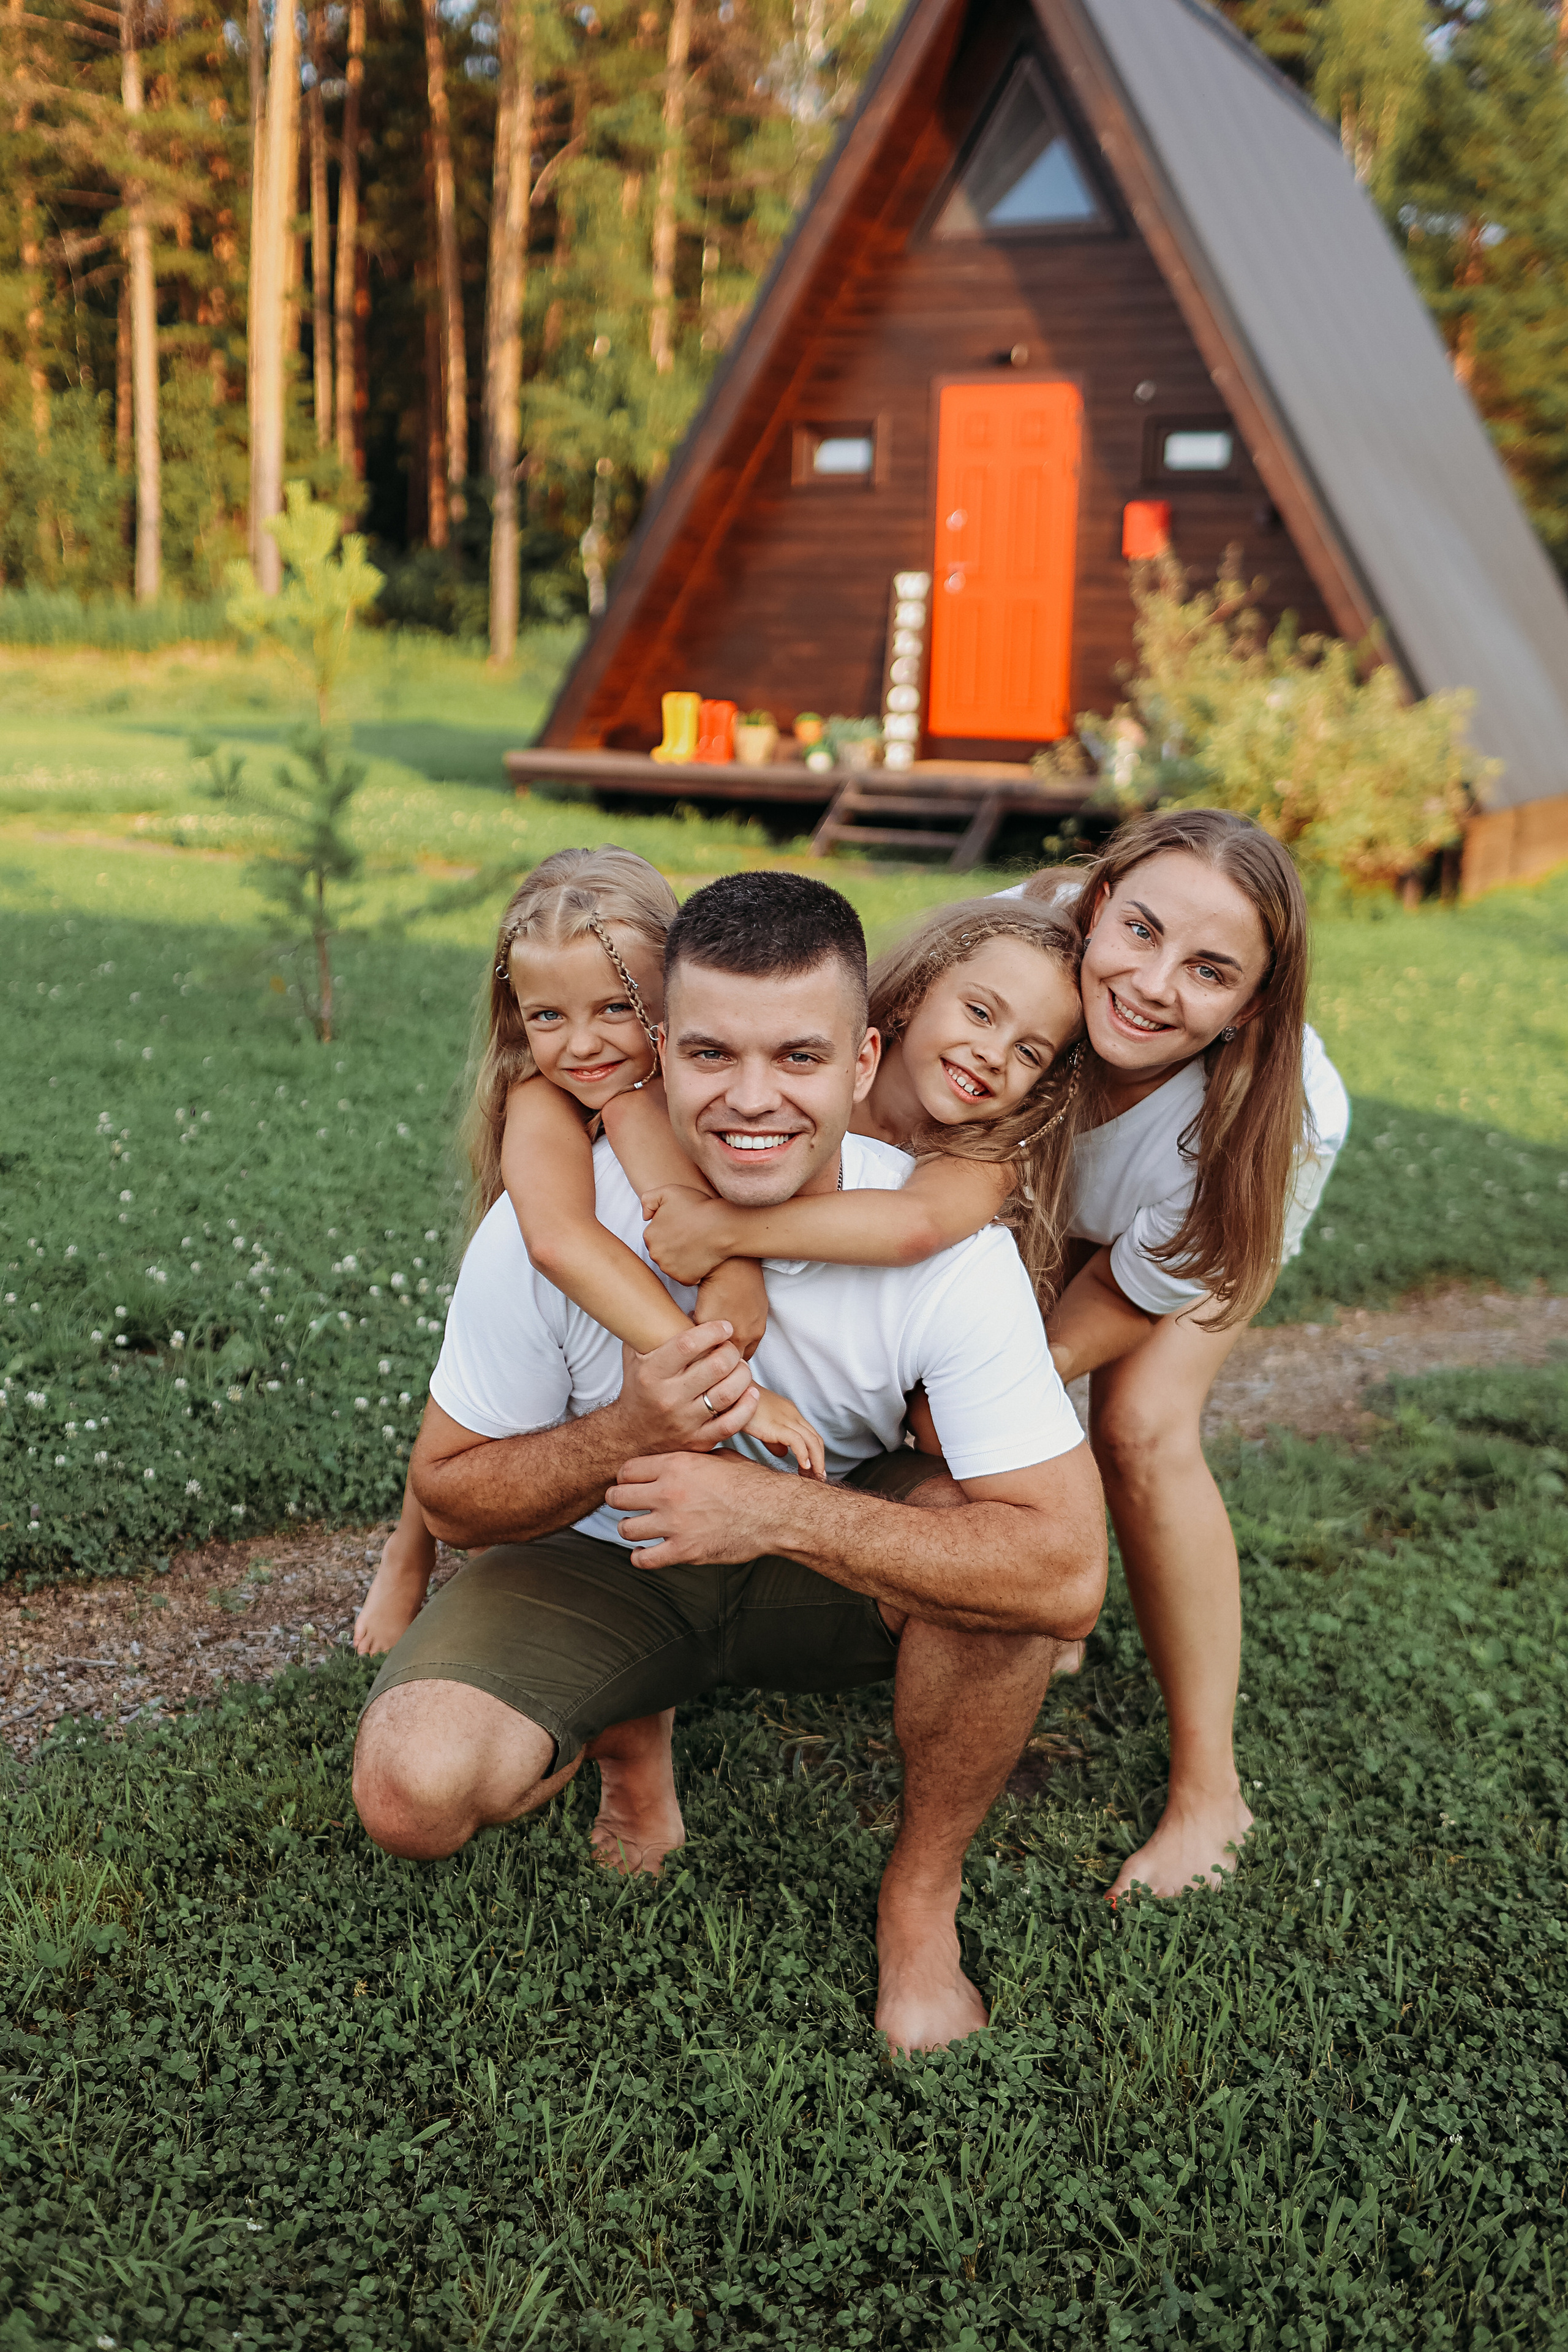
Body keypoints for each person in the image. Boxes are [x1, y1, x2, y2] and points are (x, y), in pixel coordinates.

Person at [352, 870, 1107, 2054]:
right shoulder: (559, 1218)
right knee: (415, 1790)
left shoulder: (947, 1244)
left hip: (818, 1537)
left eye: (797, 1060)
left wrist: (772, 1512)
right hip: (607, 1554)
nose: (752, 1101)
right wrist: (622, 1437)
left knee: (999, 1566)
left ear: (865, 1062)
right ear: (662, 1049)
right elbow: (451, 1493)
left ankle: (919, 1902)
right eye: (711, 1056)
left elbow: (1065, 1575)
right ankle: (629, 1744)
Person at [353, 846, 824, 1658]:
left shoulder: (674, 1088)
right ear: (516, 1019)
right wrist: (730, 1385)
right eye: (547, 1018)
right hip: (558, 1302)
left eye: (615, 1008)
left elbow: (690, 1209)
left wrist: (736, 1261)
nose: (581, 1046)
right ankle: (409, 1551)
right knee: (468, 1405)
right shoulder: (541, 1098)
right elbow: (559, 1241)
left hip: (626, 1332)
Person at [1010, 812, 1349, 1900]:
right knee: (1010, 1313)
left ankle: (1212, 1792)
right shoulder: (1017, 953)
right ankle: (1055, 1600)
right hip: (1072, 1172)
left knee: (1139, 1426)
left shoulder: (1260, 1121)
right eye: (1140, 931)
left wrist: (1002, 1377)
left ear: (1249, 1005)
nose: (1154, 985)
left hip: (1219, 1189)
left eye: (1208, 971)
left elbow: (1121, 1294)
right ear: (1096, 903)